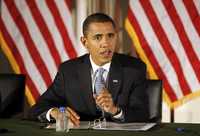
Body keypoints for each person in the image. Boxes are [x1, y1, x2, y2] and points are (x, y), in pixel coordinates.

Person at [28, 13, 149, 126]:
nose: (105, 43)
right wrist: (54, 112)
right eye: (98, 37)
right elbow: (38, 108)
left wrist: (115, 110)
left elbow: (142, 114)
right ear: (85, 42)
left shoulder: (134, 69)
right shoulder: (68, 70)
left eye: (110, 36)